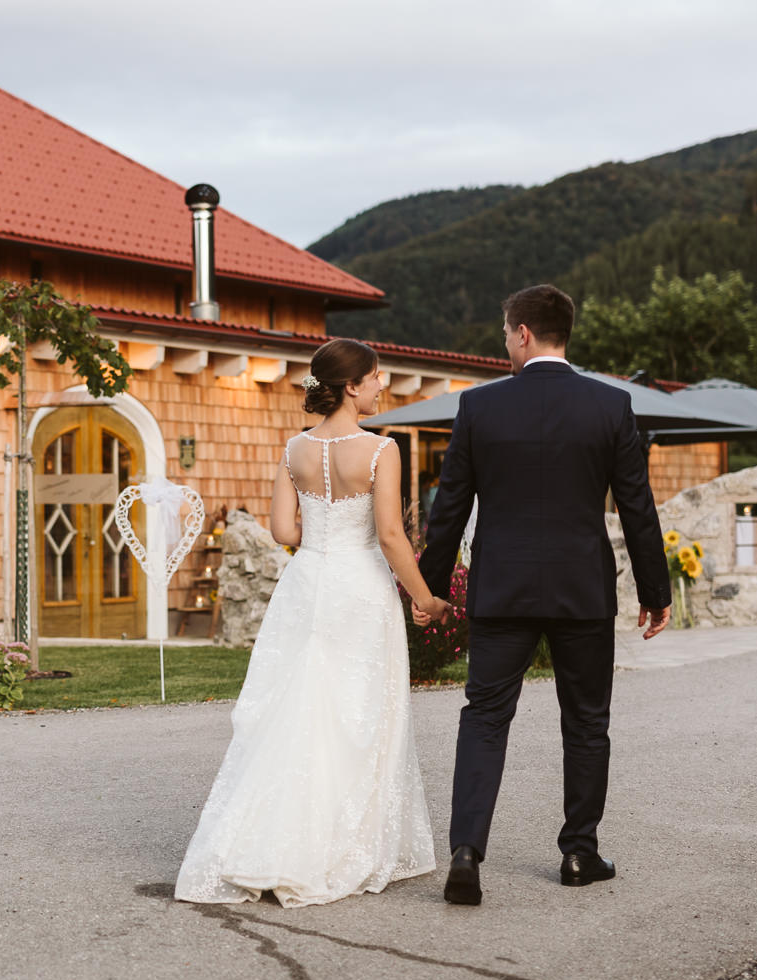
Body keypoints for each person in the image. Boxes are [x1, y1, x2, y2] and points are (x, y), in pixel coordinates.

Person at [418, 284, 672, 907]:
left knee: (484, 718)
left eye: (506, 333)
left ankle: (466, 852)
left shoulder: (479, 407)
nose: (504, 343)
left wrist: (428, 588)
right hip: (582, 589)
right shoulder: (611, 406)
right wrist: (655, 589)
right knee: (586, 723)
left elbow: (449, 507)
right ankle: (580, 854)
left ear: (524, 333)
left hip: (502, 588)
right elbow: (636, 506)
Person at [175, 339, 450, 908]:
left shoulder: (294, 447)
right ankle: (339, 845)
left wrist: (323, 536)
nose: (382, 387)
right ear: (352, 386)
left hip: (307, 586)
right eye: (376, 378)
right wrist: (425, 597)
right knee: (358, 714)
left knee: (296, 711)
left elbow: (282, 530)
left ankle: (268, 840)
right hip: (360, 591)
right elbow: (393, 536)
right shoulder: (381, 451)